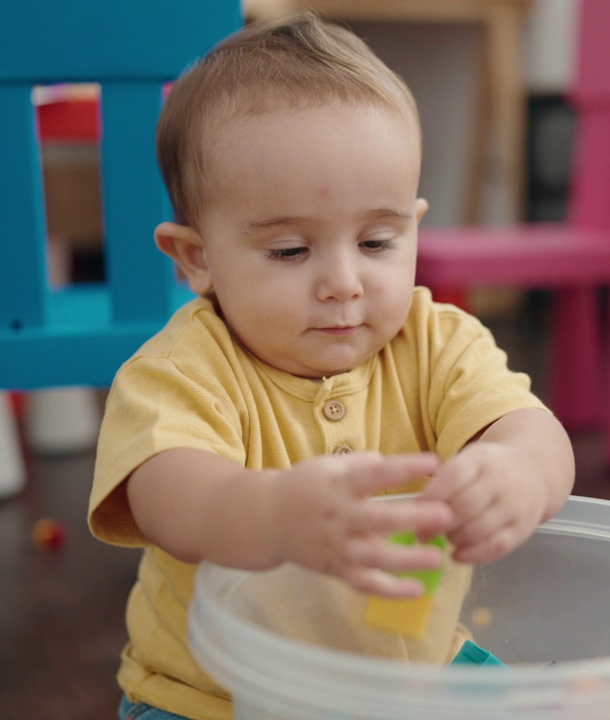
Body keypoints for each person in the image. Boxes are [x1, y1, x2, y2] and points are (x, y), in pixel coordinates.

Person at [88, 12, 575, 720]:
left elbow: (533, 430)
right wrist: (273, 517)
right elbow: (173, 498)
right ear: (198, 258)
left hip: (412, 681)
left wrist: (519, 472)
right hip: (216, 696)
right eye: (290, 251)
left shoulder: (438, 342)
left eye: (378, 241)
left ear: (413, 224)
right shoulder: (181, 369)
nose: (344, 282)